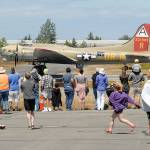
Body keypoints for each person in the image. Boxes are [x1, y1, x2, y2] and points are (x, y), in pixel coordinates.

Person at [141, 71, 150, 135]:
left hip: (148, 102)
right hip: (147, 103)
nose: (147, 74)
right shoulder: (147, 82)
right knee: (149, 116)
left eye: (148, 73)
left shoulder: (147, 83)